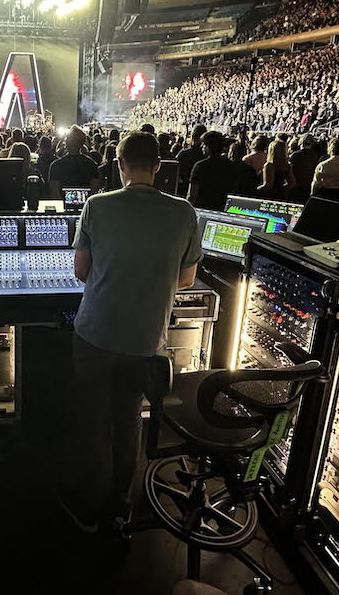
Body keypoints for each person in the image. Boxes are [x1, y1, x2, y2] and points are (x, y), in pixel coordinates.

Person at [63, 131, 201, 533]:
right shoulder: (184, 212)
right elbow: (187, 280)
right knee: (128, 421)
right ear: (159, 166)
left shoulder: (96, 206)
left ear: (118, 165)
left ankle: (89, 511)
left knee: (92, 421)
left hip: (94, 335)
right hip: (144, 340)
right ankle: (119, 508)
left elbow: (81, 272)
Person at [187, 131, 237, 210]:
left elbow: (192, 195)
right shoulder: (231, 166)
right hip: (222, 209)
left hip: (202, 209)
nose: (201, 147)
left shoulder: (200, 166)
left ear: (208, 146)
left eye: (203, 144)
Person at [48, 125, 100, 195]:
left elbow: (55, 193)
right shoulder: (92, 164)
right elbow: (94, 191)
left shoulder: (55, 165)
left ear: (66, 142)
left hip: (62, 204)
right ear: (82, 143)